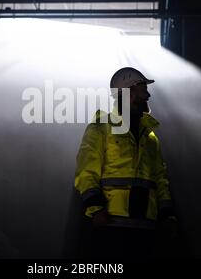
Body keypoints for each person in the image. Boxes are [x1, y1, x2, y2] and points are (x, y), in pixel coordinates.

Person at [74, 67, 177, 258]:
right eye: (142, 88)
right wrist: (96, 209)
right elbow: (86, 172)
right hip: (111, 227)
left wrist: (167, 216)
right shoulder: (101, 128)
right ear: (127, 92)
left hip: (146, 229)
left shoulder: (151, 137)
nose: (147, 95)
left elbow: (160, 180)